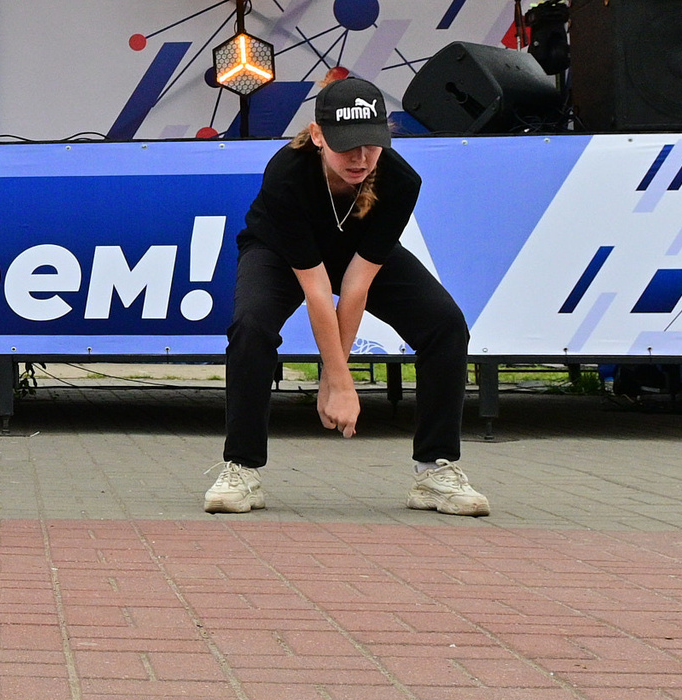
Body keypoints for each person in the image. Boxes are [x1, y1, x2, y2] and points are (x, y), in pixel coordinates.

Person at [205, 75, 488, 517]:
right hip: (277, 252)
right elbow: (318, 291)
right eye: (345, 145)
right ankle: (241, 467)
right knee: (251, 326)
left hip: (356, 256)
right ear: (317, 136)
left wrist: (335, 376)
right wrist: (336, 380)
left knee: (445, 326)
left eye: (370, 145)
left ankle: (434, 470)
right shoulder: (287, 173)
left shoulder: (400, 181)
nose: (359, 158)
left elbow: (354, 287)